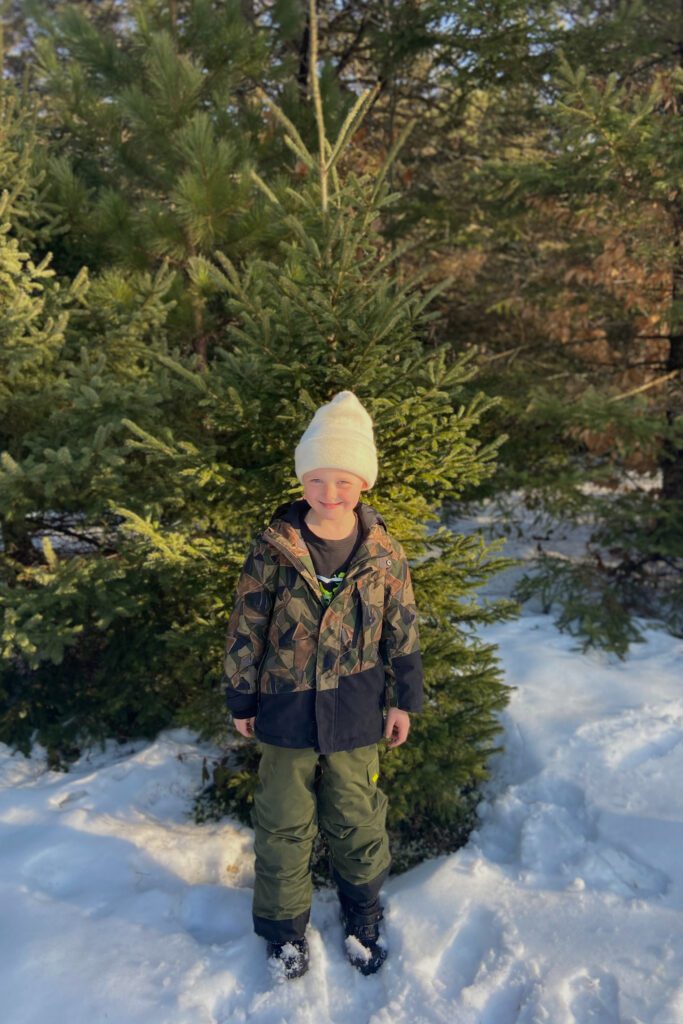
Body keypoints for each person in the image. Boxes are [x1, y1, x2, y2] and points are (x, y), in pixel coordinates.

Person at [222, 390, 423, 979]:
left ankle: (362, 910)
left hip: (357, 710)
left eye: (343, 481)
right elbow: (247, 626)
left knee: (357, 814)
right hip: (284, 710)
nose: (329, 494)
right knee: (283, 820)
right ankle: (284, 930)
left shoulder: (384, 554)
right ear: (302, 480)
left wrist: (403, 701)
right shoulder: (274, 548)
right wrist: (242, 696)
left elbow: (402, 631)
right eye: (317, 480)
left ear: (363, 483)